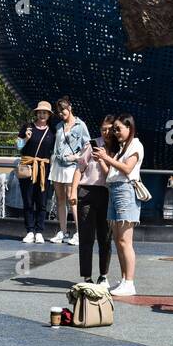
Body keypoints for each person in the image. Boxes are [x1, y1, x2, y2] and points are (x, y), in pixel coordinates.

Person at [98, 113, 144, 295]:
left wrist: (107, 158)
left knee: (126, 240)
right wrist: (102, 159)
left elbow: (127, 169)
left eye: (118, 129)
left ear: (129, 128)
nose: (115, 132)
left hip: (126, 191)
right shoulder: (122, 148)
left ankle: (130, 282)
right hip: (115, 190)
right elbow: (111, 172)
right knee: (118, 239)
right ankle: (125, 279)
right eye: (113, 129)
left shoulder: (135, 145)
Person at [71, 115, 115, 286]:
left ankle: (104, 274)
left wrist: (104, 159)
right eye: (104, 129)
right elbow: (79, 168)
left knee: (105, 237)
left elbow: (112, 175)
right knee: (86, 237)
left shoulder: (118, 148)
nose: (106, 132)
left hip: (106, 193)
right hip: (87, 192)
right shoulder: (91, 144)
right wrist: (73, 191)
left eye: (110, 129)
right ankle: (86, 276)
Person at [50, 97, 89, 245]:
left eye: (63, 110)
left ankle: (80, 233)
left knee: (72, 198)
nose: (61, 113)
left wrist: (76, 157)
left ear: (70, 108)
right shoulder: (59, 125)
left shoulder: (80, 125)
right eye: (59, 111)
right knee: (60, 199)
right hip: (58, 164)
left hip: (71, 166)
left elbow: (88, 145)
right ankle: (63, 231)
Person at [17, 102, 55, 243]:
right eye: (40, 112)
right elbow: (18, 146)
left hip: (44, 169)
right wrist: (26, 138)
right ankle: (30, 230)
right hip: (28, 167)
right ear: (36, 113)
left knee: (42, 201)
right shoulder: (28, 127)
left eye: (45, 112)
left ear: (49, 115)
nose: (42, 115)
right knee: (28, 200)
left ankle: (39, 230)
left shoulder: (52, 131)